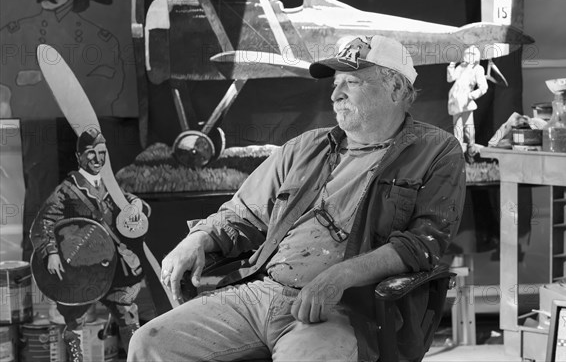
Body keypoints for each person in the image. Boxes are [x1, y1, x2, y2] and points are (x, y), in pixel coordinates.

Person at [129, 35, 466, 362]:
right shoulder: (305, 148)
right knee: (150, 343)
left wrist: (340, 276)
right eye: (336, 83)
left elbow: (423, 244)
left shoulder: (437, 150)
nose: (335, 94)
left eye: (351, 82)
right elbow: (242, 214)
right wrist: (198, 239)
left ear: (395, 88)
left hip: (346, 308)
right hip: (263, 292)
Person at [30, 127, 147, 362]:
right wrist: (51, 252)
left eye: (101, 152)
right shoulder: (66, 191)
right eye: (91, 153)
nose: (97, 158)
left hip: (111, 267)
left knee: (127, 315)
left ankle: (139, 359)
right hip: (79, 272)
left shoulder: (109, 185)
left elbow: (129, 201)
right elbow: (43, 223)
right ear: (79, 157)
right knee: (75, 322)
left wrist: (136, 205)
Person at [0, 0, 125, 118]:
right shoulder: (12, 36)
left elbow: (103, 99)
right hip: (27, 136)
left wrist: (36, 79)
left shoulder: (102, 42)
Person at [447, 45, 489, 158]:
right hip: (455, 102)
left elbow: (483, 87)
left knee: (469, 130)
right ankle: (459, 156)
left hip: (467, 102)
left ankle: (471, 152)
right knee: (457, 130)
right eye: (467, 53)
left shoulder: (478, 69)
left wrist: (472, 95)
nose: (468, 56)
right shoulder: (461, 67)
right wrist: (451, 65)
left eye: (471, 54)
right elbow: (450, 78)